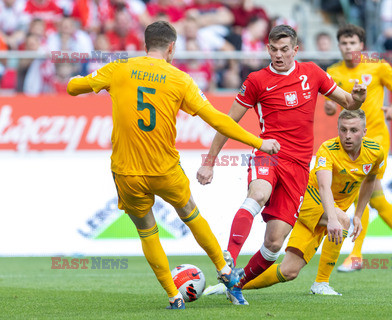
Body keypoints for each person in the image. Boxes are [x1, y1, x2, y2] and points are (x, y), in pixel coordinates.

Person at [66, 21, 280, 310]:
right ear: (171, 47)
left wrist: (85, 79)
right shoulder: (180, 79)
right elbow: (217, 118)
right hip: (165, 170)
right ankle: (226, 272)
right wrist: (258, 141)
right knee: (191, 215)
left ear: (145, 45)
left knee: (147, 231)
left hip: (127, 173)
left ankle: (172, 295)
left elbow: (72, 87)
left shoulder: (119, 69)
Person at [196, 24, 366, 305]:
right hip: (269, 153)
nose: (278, 55)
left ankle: (236, 283)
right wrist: (210, 162)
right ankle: (227, 260)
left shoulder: (312, 73)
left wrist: (359, 97)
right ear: (267, 49)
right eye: (273, 49)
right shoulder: (256, 80)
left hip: (298, 168)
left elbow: (349, 102)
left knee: (274, 243)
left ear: (295, 50)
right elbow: (228, 122)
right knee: (258, 194)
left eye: (284, 50)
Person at [239, 109, 383, 294]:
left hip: (328, 210)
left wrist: (358, 214)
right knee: (341, 221)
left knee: (288, 271)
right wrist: (332, 218)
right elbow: (323, 187)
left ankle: (235, 283)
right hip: (310, 198)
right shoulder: (328, 150)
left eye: (353, 130)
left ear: (364, 132)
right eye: (343, 129)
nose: (347, 136)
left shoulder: (376, 153)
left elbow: (370, 180)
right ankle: (321, 283)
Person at [320, 24, 392, 277]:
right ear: (339, 46)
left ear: (361, 45)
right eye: (344, 43)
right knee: (375, 199)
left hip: (376, 138)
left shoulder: (378, 66)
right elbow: (328, 106)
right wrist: (330, 109)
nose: (348, 48)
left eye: (353, 43)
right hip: (349, 140)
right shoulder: (333, 71)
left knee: (360, 193)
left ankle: (356, 255)